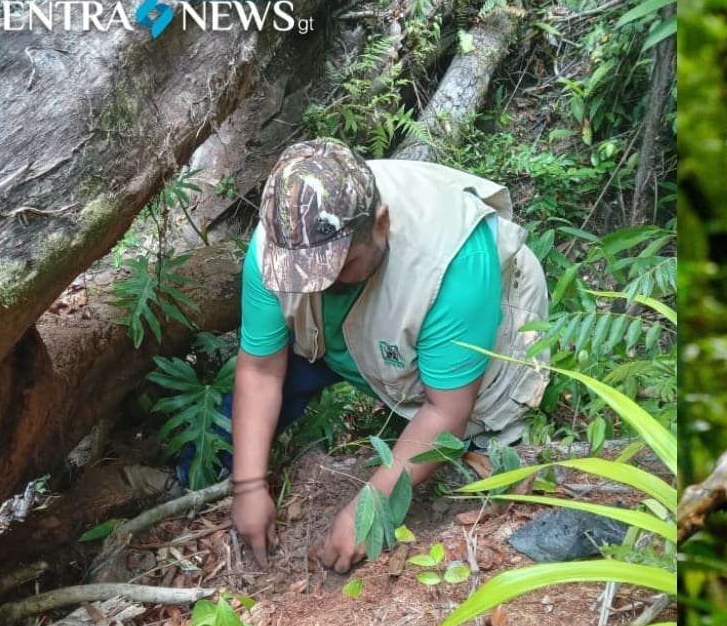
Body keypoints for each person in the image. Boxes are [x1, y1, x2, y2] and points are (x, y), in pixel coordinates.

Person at [222, 138, 548, 573]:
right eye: (304, 275)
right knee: (248, 414)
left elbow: (447, 409)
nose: (317, 284)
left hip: (474, 325)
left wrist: (370, 508)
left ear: (381, 224)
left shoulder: (456, 261)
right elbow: (261, 370)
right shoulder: (281, 242)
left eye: (337, 267)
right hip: (338, 339)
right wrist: (247, 486)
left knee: (480, 453)